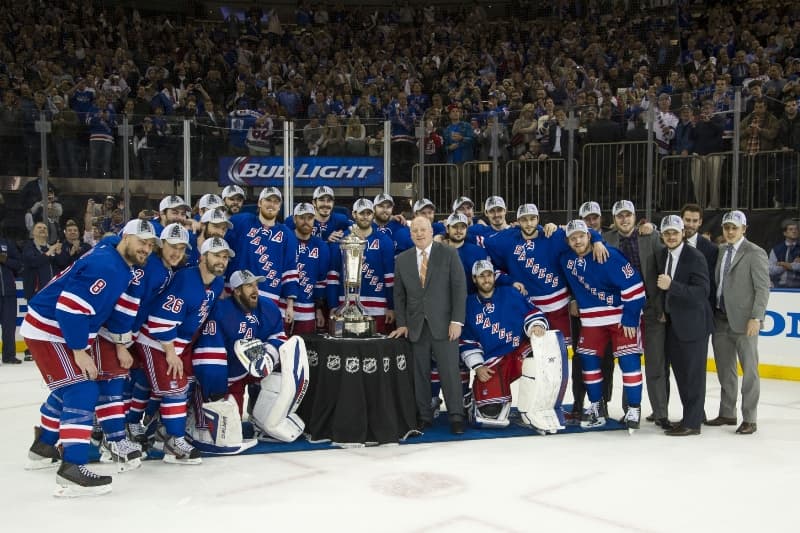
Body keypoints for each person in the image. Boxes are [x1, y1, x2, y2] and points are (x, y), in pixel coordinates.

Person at [21, 219, 157, 496]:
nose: (147, 248)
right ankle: (73, 468)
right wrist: (80, 351)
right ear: (126, 238)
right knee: (82, 389)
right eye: (141, 241)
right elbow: (70, 309)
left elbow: (118, 312)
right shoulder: (106, 267)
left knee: (70, 387)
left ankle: (44, 446)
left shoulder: (117, 258)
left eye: (151, 244)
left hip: (56, 329)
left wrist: (118, 344)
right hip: (50, 330)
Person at [133, 236, 232, 464]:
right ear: (203, 256)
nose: (221, 261)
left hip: (179, 343)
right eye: (216, 255)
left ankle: (162, 432)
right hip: (157, 340)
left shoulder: (217, 282)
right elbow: (159, 321)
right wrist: (170, 352)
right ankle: (173, 441)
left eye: (225, 257)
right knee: (174, 389)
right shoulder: (186, 280)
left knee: (181, 387)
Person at [193, 269, 309, 444]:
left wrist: (268, 355)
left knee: (282, 373)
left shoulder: (267, 307)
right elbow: (209, 354)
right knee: (226, 433)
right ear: (237, 290)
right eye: (249, 286)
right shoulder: (220, 311)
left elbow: (278, 337)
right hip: (225, 377)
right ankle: (194, 419)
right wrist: (216, 392)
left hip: (246, 371)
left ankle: (262, 417)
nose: (255, 290)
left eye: (256, 285)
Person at [560, 220, 646, 431]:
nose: (577, 240)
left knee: (628, 359)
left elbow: (635, 288)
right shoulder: (567, 259)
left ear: (589, 236)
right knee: (588, 361)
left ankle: (634, 407)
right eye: (572, 238)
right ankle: (597, 405)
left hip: (619, 317)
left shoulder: (609, 255)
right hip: (591, 320)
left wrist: (630, 318)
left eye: (581, 235)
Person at [459, 259, 565, 429]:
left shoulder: (510, 294)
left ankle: (534, 408)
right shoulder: (468, 304)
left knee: (545, 352)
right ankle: (476, 399)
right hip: (492, 362)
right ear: (474, 279)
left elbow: (533, 312)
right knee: (491, 414)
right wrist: (478, 366)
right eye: (481, 276)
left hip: (518, 353)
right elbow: (467, 340)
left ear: (494, 276)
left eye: (489, 275)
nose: (486, 280)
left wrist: (536, 324)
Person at [390, 216, 467, 435]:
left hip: (445, 325)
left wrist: (456, 321)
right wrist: (403, 324)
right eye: (414, 230)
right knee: (419, 374)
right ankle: (424, 415)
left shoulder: (449, 253)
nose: (419, 234)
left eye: (423, 229)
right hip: (416, 327)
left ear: (431, 231)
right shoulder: (402, 260)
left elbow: (459, 289)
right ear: (410, 234)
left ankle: (456, 415)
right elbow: (399, 296)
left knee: (450, 372)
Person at [603, 200, 668, 428]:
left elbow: (664, 270)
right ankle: (629, 410)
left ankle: (661, 413)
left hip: (650, 309)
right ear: (614, 219)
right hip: (620, 312)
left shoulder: (650, 237)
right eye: (619, 216)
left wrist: (662, 307)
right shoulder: (605, 239)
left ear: (635, 216)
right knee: (627, 361)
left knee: (655, 364)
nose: (624, 219)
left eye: (628, 215)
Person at [708, 211, 770, 435]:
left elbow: (763, 288)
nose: (730, 231)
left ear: (744, 229)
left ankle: (750, 418)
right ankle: (727, 412)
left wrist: (757, 317)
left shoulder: (755, 253)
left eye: (735, 227)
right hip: (720, 319)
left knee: (749, 371)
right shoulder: (721, 250)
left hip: (745, 322)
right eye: (727, 228)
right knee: (726, 370)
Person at [655, 215, 714, 436]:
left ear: (683, 233)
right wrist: (663, 309)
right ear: (662, 235)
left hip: (694, 326)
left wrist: (673, 286)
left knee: (693, 376)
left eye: (675, 232)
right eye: (667, 232)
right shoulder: (662, 255)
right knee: (681, 374)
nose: (671, 236)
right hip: (673, 324)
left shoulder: (694, 256)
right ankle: (692, 416)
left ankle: (692, 424)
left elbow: (702, 292)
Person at [226, 187, 299, 317]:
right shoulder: (241, 221)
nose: (271, 204)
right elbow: (224, 252)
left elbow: (290, 269)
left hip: (269, 297)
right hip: (237, 294)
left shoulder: (287, 234)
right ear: (260, 203)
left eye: (276, 202)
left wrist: (290, 305)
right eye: (268, 200)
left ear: (279, 206)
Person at [327, 199, 395, 333]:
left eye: (368, 213)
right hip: (345, 305)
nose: (365, 216)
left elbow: (389, 278)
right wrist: (333, 305)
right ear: (354, 214)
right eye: (361, 213)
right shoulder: (341, 240)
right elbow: (333, 277)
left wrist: (391, 307)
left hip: (378, 306)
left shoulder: (384, 241)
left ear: (373, 214)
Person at [286, 203, 329, 334]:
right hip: (283, 307)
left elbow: (321, 281)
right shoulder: (286, 240)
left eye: (309, 218)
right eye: (302, 217)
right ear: (294, 219)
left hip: (307, 309)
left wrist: (319, 310)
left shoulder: (321, 246)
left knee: (306, 350)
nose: (306, 222)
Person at [0, 236, 21, 364]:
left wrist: (5, 259)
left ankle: (9, 355)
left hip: (8, 293)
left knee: (9, 326)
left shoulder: (7, 243)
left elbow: (19, 264)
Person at [768, 219, 800, 288]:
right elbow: (770, 270)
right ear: (785, 233)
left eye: (796, 229)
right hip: (780, 286)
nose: (794, 231)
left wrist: (785, 264)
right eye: (791, 229)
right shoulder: (776, 250)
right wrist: (786, 266)